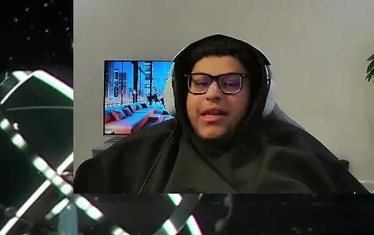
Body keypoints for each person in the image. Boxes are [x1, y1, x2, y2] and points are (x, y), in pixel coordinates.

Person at [74, 34, 367, 194]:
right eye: (200, 82)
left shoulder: (302, 158)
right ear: (179, 94)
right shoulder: (133, 158)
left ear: (258, 97)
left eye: (230, 83)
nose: (213, 94)